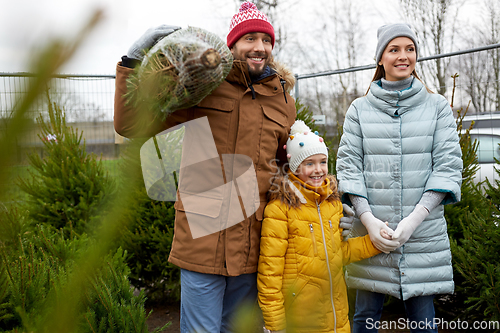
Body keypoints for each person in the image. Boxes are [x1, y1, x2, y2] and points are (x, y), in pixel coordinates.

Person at [114, 2, 354, 332]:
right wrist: (133, 59)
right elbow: (130, 124)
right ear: (232, 45)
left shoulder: (283, 100)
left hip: (253, 243)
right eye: (250, 39)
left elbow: (290, 175)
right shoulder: (200, 86)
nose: (259, 47)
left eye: (266, 40)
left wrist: (328, 212)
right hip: (202, 239)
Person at [336, 23, 463, 333]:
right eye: (394, 49)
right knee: (364, 318)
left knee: (423, 322)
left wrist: (411, 223)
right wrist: (368, 221)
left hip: (421, 235)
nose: (403, 56)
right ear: (381, 58)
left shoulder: (437, 108)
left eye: (410, 49)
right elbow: (349, 167)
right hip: (370, 237)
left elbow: (447, 166)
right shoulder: (359, 109)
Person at [257, 120, 381, 333]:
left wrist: (377, 241)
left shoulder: (332, 204)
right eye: (309, 163)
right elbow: (270, 275)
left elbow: (339, 253)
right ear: (295, 167)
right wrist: (275, 326)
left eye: (323, 162)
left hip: (337, 318)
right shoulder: (279, 209)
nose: (318, 170)